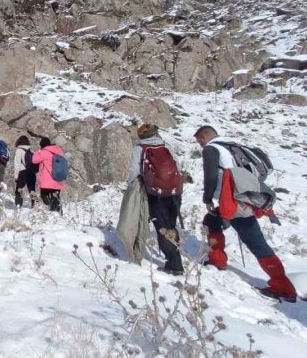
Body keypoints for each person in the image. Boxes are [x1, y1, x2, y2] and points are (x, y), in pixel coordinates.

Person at [194, 125, 297, 302]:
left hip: (234, 202)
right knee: (211, 221)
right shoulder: (230, 146)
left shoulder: (211, 149)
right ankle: (217, 260)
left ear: (203, 137)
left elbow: (210, 176)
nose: (199, 145)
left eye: (199, 141)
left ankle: (283, 288)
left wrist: (207, 198)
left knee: (255, 242)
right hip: (241, 197)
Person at [127, 124, 184, 275]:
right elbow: (177, 166)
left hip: (155, 194)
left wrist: (131, 186)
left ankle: (175, 265)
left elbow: (133, 170)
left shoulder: (140, 148)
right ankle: (175, 260)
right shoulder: (166, 146)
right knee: (171, 225)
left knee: (162, 228)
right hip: (174, 192)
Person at [32, 136, 65, 212]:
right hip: (58, 179)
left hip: (47, 181)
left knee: (44, 196)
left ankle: (52, 212)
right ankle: (59, 214)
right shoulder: (58, 152)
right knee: (56, 198)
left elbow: (34, 160)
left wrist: (38, 151)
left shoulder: (44, 152)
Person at [12, 135, 38, 208]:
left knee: (19, 190)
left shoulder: (19, 150)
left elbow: (17, 164)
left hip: (23, 172)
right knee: (32, 190)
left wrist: (16, 176)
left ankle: (18, 205)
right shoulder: (31, 150)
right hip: (32, 173)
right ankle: (34, 206)